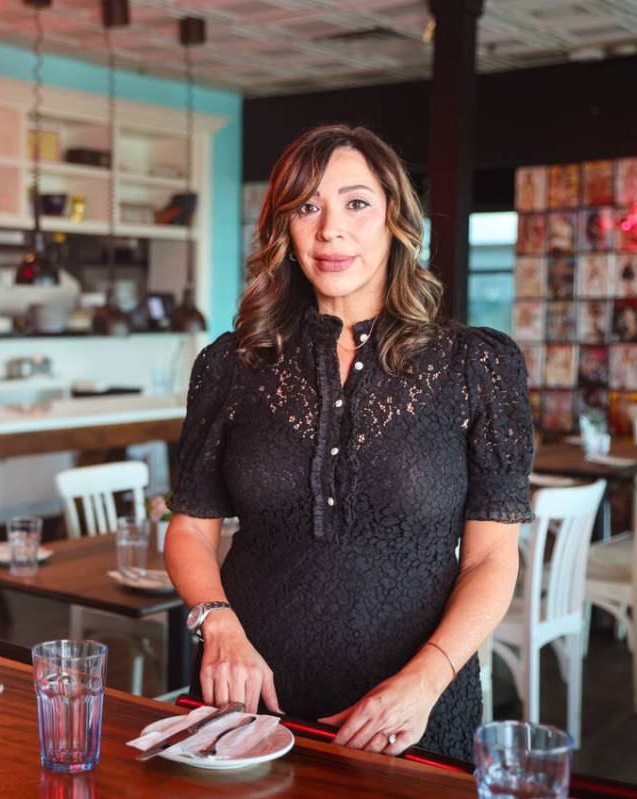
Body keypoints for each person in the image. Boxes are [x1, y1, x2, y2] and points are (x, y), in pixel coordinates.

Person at [163, 124, 534, 762]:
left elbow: (491, 561)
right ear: (284, 228)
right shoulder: (232, 365)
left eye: (356, 204)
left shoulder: (476, 365)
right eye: (307, 206)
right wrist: (216, 623)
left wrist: (424, 682)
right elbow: (190, 531)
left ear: (395, 219)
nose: (331, 229)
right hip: (248, 708)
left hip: (414, 713)